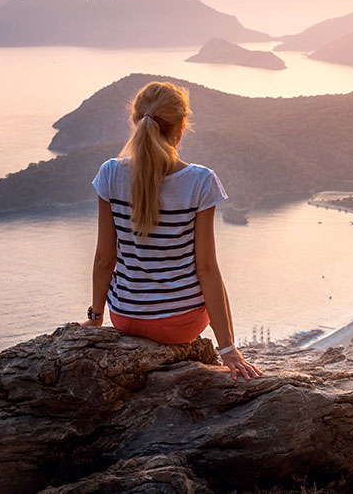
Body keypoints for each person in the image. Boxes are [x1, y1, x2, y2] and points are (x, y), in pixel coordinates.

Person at [81, 81, 261, 381]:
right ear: (181, 125)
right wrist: (227, 348)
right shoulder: (200, 181)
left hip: (125, 317)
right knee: (212, 278)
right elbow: (206, 268)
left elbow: (104, 258)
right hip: (181, 323)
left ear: (135, 122)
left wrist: (96, 317)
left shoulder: (110, 173)